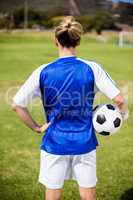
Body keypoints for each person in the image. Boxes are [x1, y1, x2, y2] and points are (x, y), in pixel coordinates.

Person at [12, 16, 128, 200]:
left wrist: (37, 127)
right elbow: (120, 100)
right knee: (88, 197)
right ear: (78, 41)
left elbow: (17, 104)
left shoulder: (43, 71)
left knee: (52, 196)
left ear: (55, 40)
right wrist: (122, 116)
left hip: (54, 143)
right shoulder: (92, 68)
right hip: (85, 143)